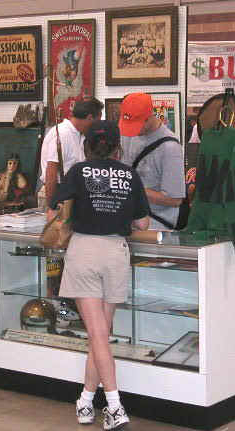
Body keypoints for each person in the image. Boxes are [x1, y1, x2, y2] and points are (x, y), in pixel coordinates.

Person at [50, 120, 149, 430]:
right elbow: (143, 223)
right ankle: (86, 401)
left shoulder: (77, 172)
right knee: (101, 335)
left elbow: (53, 210)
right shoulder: (130, 175)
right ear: (118, 147)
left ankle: (114, 407)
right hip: (116, 254)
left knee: (98, 336)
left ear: (86, 146)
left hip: (84, 252)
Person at [119, 92, 185, 230]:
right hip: (129, 218)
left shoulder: (170, 149)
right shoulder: (127, 135)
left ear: (149, 117)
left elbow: (175, 200)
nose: (132, 131)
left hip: (155, 224)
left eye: (135, 125)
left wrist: (133, 189)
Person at [39, 97, 104, 213]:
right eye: (96, 122)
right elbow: (51, 171)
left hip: (69, 191)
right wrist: (52, 207)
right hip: (57, 191)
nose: (96, 127)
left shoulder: (79, 134)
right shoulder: (63, 134)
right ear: (89, 118)